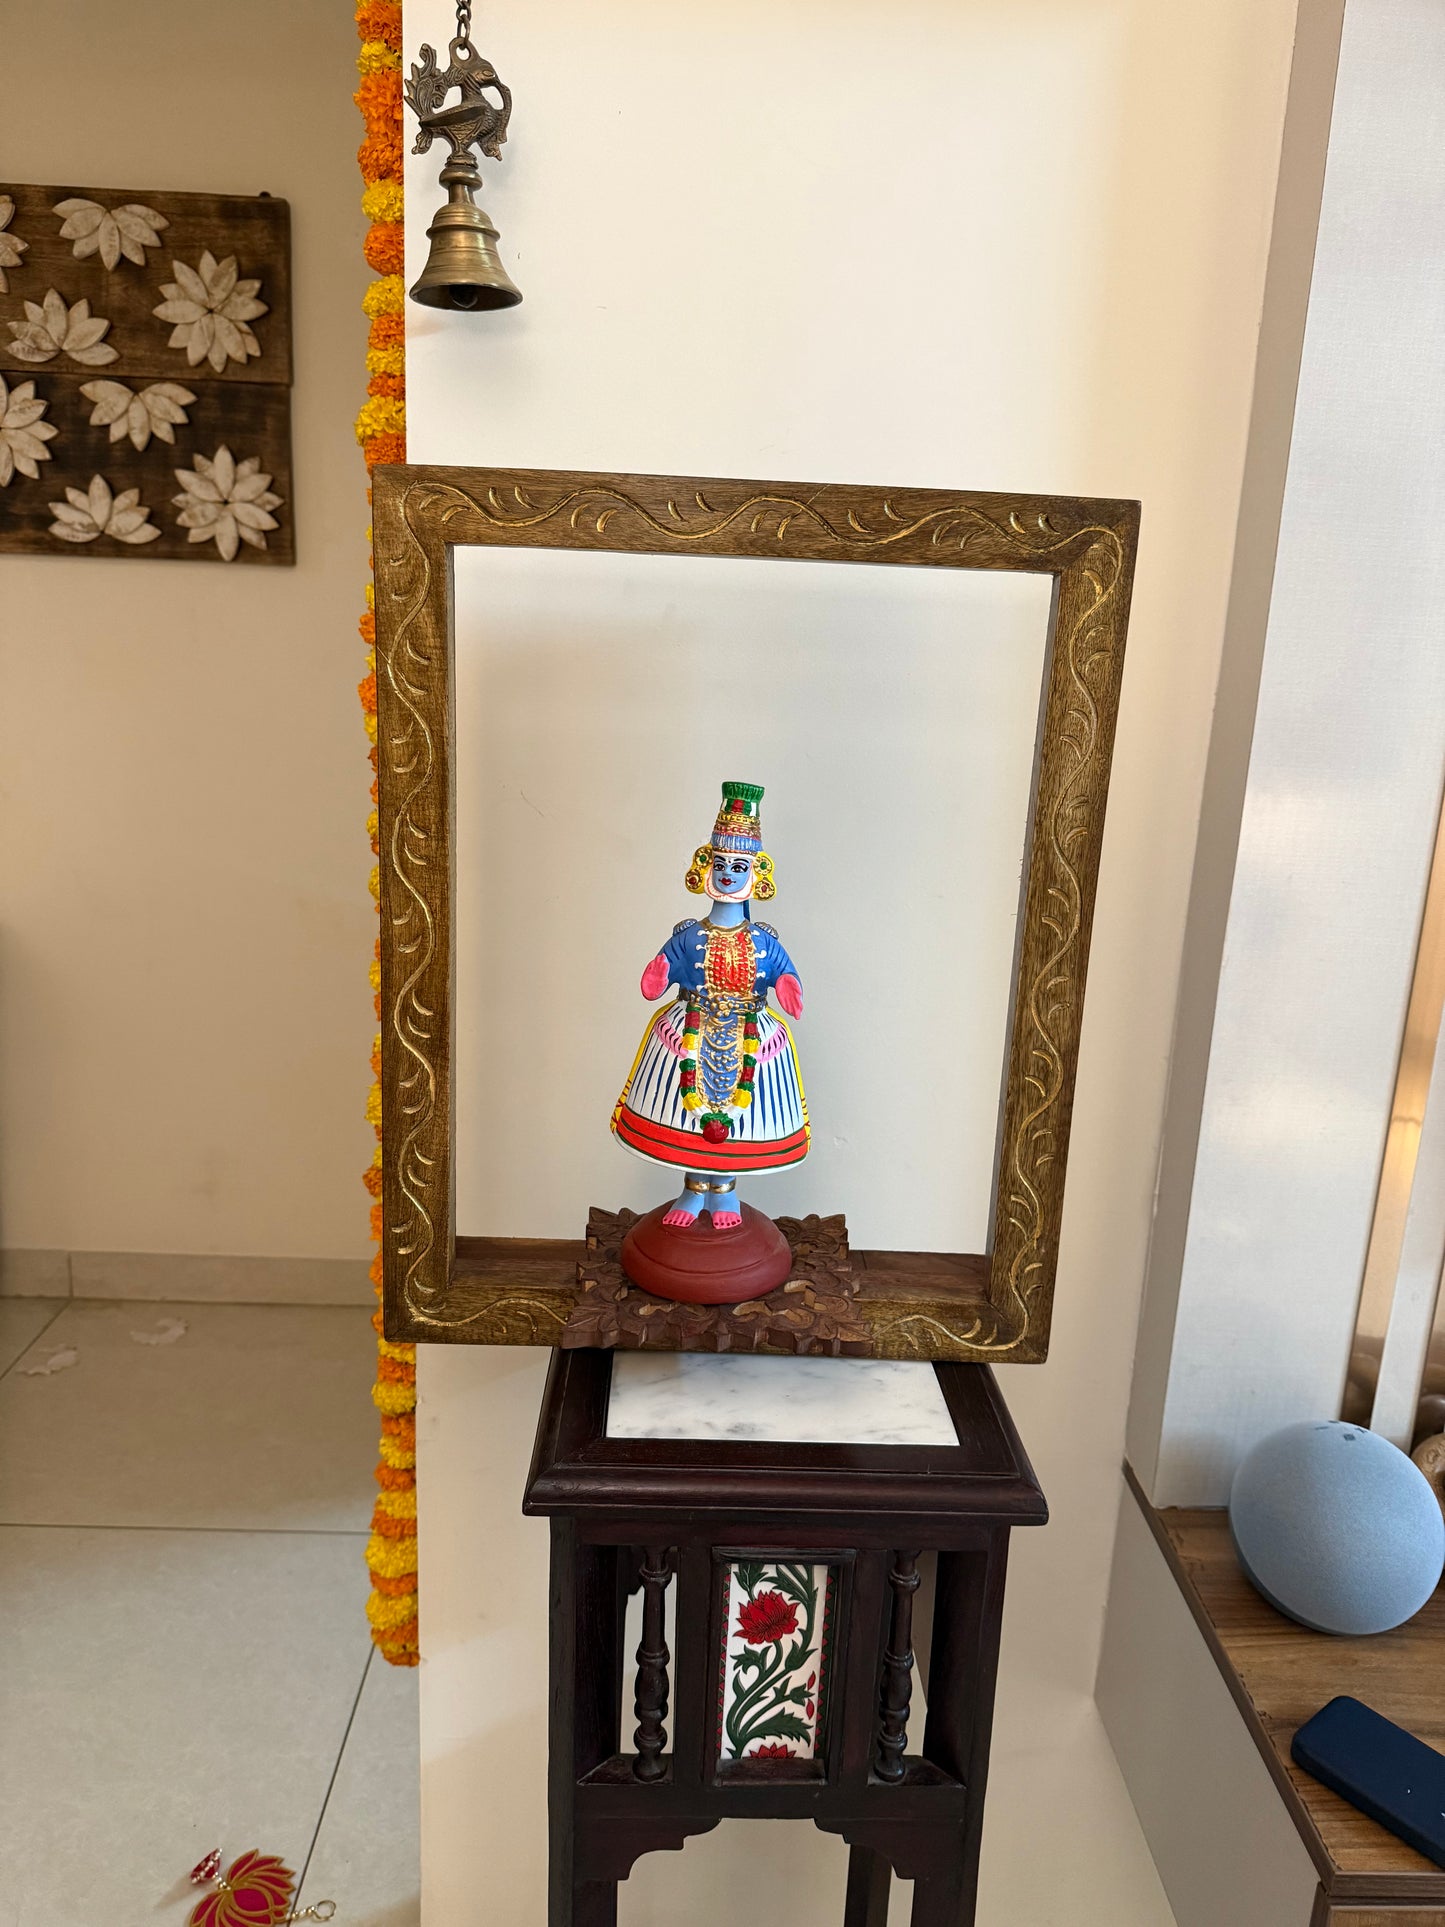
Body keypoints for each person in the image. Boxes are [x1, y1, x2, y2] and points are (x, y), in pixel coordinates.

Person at [611, 781, 808, 1228]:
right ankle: (693, 1189)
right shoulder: (691, 935)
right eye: (721, 864)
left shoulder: (762, 940)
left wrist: (788, 981)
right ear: (706, 867)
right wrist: (660, 969)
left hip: (750, 1035)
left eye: (739, 866)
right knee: (686, 1112)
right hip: (690, 1030)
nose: (728, 874)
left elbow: (781, 968)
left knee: (739, 1119)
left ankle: (724, 1193)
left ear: (756, 875)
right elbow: (663, 969)